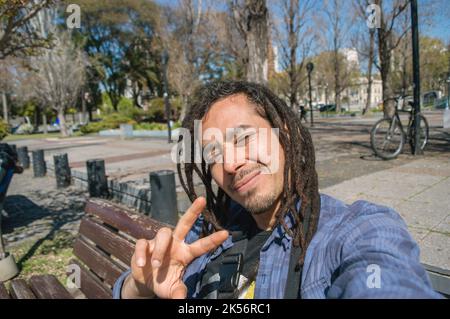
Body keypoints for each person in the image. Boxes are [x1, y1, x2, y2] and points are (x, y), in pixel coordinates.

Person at [113, 81, 441, 299]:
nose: (230, 163)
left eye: (243, 138)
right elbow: (126, 287)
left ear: (283, 133)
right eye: (213, 153)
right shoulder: (209, 231)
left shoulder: (354, 230)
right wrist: (140, 287)